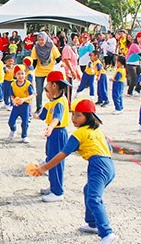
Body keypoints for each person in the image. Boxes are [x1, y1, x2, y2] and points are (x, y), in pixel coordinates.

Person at [33, 98, 116, 244]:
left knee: (93, 198)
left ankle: (107, 233)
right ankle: (92, 224)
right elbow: (110, 149)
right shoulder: (98, 131)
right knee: (88, 190)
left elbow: (61, 154)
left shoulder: (79, 134)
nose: (74, 118)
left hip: (98, 166)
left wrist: (44, 167)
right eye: (73, 114)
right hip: (108, 165)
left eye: (79, 115)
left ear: (88, 117)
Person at [33, 71, 70, 202]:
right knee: (50, 159)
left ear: (54, 85)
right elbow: (44, 115)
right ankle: (53, 186)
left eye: (48, 84)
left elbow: (57, 118)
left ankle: (58, 192)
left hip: (58, 133)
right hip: (53, 133)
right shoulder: (53, 102)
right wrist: (35, 116)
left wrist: (51, 126)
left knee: (56, 163)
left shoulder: (59, 102)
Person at [31, 32, 62, 114]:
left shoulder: (52, 47)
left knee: (50, 90)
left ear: (46, 39)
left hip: (50, 72)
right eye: (39, 40)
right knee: (39, 90)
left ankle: (52, 106)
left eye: (42, 40)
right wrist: (30, 70)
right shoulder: (36, 48)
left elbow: (59, 59)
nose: (41, 42)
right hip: (39, 72)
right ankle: (39, 107)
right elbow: (34, 61)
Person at [8, 65, 35, 143]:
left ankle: (24, 135)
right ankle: (13, 130)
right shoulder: (13, 84)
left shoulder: (28, 84)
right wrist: (13, 100)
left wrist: (24, 99)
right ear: (15, 75)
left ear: (25, 74)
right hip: (16, 106)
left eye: (22, 73)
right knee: (11, 121)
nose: (21, 76)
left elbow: (32, 95)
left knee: (25, 123)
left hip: (25, 106)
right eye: (18, 74)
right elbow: (12, 95)